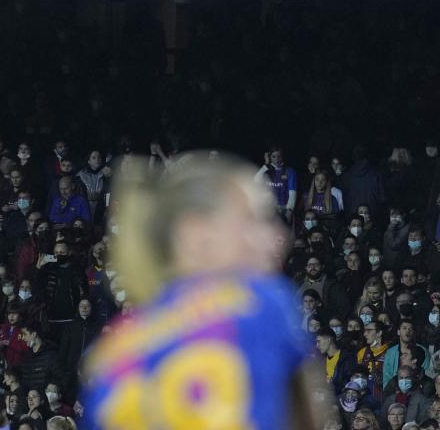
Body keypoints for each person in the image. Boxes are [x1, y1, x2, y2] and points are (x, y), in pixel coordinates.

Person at [81, 155, 319, 430]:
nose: (278, 235)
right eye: (254, 219)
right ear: (195, 232)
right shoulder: (260, 303)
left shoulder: (110, 354)